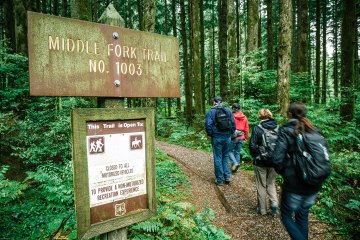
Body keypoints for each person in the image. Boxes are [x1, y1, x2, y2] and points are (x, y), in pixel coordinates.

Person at [272, 103, 323, 240]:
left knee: (286, 215)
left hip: (295, 184)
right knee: (302, 214)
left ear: (289, 114)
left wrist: (287, 173)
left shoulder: (286, 130)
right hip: (315, 182)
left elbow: (277, 159)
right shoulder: (314, 130)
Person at [249, 108, 279, 216]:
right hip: (274, 162)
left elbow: (252, 145)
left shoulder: (257, 128)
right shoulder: (278, 128)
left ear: (260, 116)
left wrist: (257, 156)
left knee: (261, 185)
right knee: (271, 183)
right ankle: (274, 204)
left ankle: (262, 210)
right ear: (270, 116)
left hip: (260, 162)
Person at [205, 96, 236, 186]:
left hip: (217, 137)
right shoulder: (228, 111)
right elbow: (233, 124)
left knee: (217, 158)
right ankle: (227, 177)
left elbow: (208, 125)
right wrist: (230, 133)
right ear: (221, 102)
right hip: (227, 137)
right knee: (225, 157)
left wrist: (212, 134)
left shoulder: (211, 112)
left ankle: (219, 180)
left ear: (214, 102)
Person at [229, 103, 249, 173]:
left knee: (229, 151)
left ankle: (235, 163)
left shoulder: (231, 116)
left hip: (233, 137)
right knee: (237, 152)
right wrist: (246, 137)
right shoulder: (244, 117)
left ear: (233, 108)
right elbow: (246, 129)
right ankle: (236, 169)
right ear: (239, 109)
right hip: (241, 136)